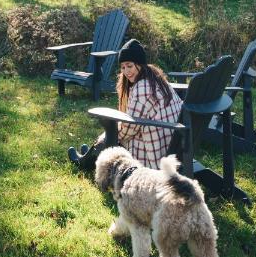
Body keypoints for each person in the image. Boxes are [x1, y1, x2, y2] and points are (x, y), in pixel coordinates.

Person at [68, 38, 183, 170]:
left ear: (139, 63)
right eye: (123, 67)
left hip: (153, 155)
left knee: (111, 133)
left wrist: (106, 135)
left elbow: (127, 131)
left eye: (129, 66)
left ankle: (83, 162)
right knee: (111, 134)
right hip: (171, 147)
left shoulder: (142, 89)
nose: (126, 71)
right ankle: (90, 154)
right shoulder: (158, 80)